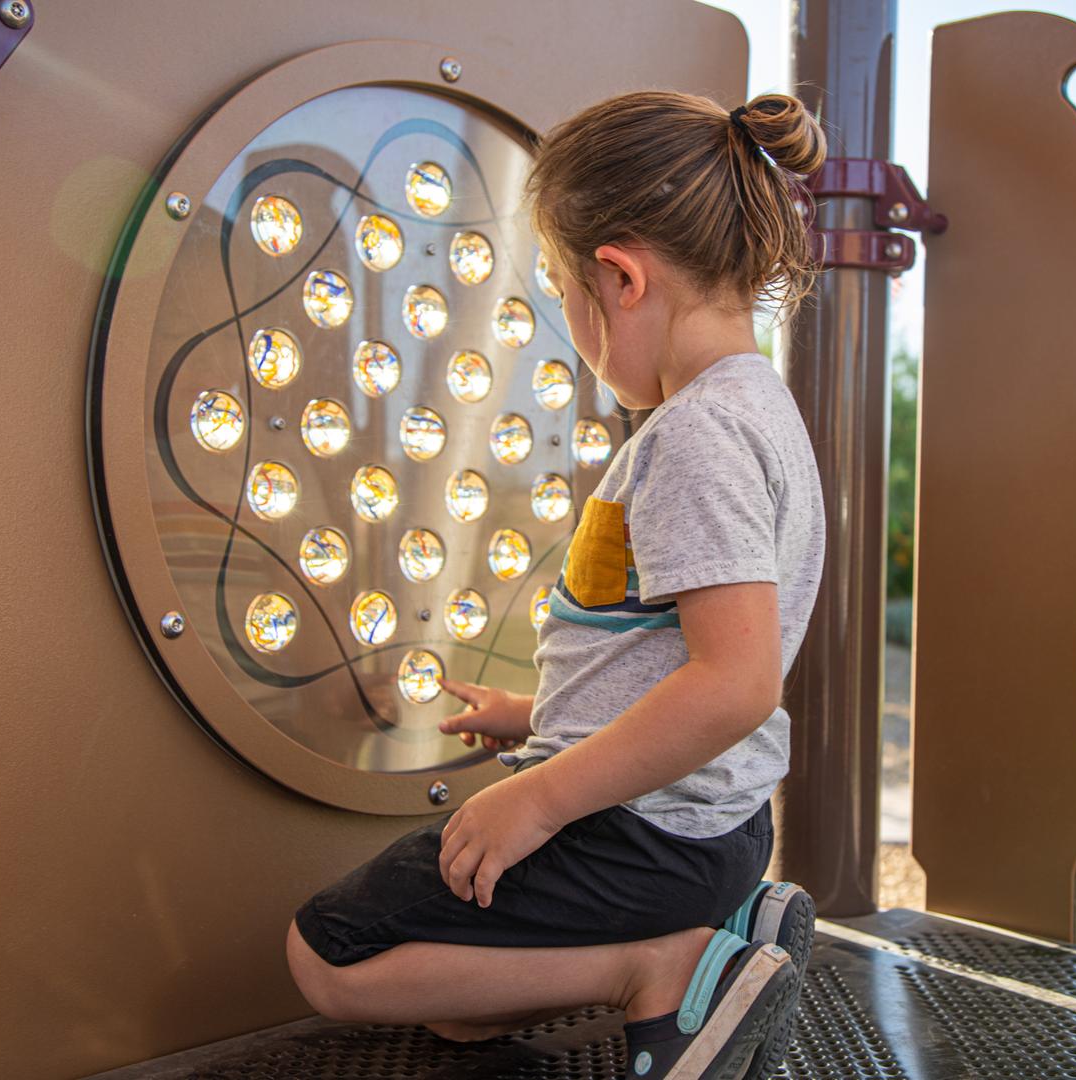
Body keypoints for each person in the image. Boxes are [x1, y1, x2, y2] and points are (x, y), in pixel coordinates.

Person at [286, 89, 830, 1079]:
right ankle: (728, 932)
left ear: (617, 277)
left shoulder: (696, 435)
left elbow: (734, 682)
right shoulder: (761, 411)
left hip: (642, 836)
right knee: (461, 1013)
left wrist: (537, 797)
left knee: (331, 955)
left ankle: (659, 967)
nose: (567, 328)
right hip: (718, 829)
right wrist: (542, 713)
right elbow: (670, 654)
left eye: (558, 290)